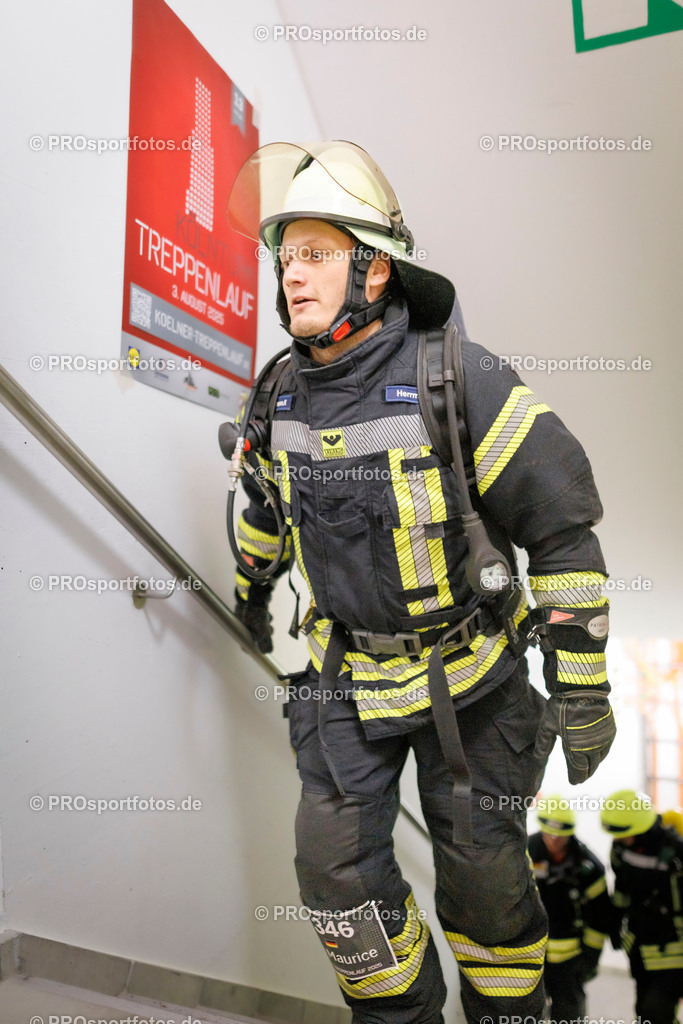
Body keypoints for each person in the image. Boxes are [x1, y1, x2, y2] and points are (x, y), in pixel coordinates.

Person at [226, 141, 615, 1024]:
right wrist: (251, 588)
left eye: (317, 253)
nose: (292, 275)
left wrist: (582, 691)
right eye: (285, 256)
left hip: (473, 686)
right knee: (335, 883)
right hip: (341, 684)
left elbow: (562, 536)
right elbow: (261, 506)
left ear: (375, 268)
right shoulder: (276, 395)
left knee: (484, 891)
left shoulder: (462, 379)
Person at [601, 789, 683, 1024]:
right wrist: (615, 923)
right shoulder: (620, 848)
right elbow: (622, 890)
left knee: (655, 1013)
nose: (618, 839)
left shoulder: (676, 852)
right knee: (644, 1011)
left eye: (623, 834)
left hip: (673, 950)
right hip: (640, 946)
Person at [529, 795, 611, 1023]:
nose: (553, 840)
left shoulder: (588, 867)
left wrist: (591, 958)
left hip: (572, 958)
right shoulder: (528, 851)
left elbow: (600, 917)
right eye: (549, 833)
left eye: (560, 835)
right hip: (533, 951)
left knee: (568, 1012)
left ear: (570, 833)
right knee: (529, 1009)